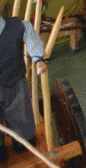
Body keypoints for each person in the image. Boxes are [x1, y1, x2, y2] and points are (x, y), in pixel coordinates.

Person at [0, 15, 46, 162]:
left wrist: (38, 58)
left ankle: (23, 139)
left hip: (14, 79)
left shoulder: (18, 26)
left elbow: (32, 39)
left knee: (20, 110)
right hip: (13, 78)